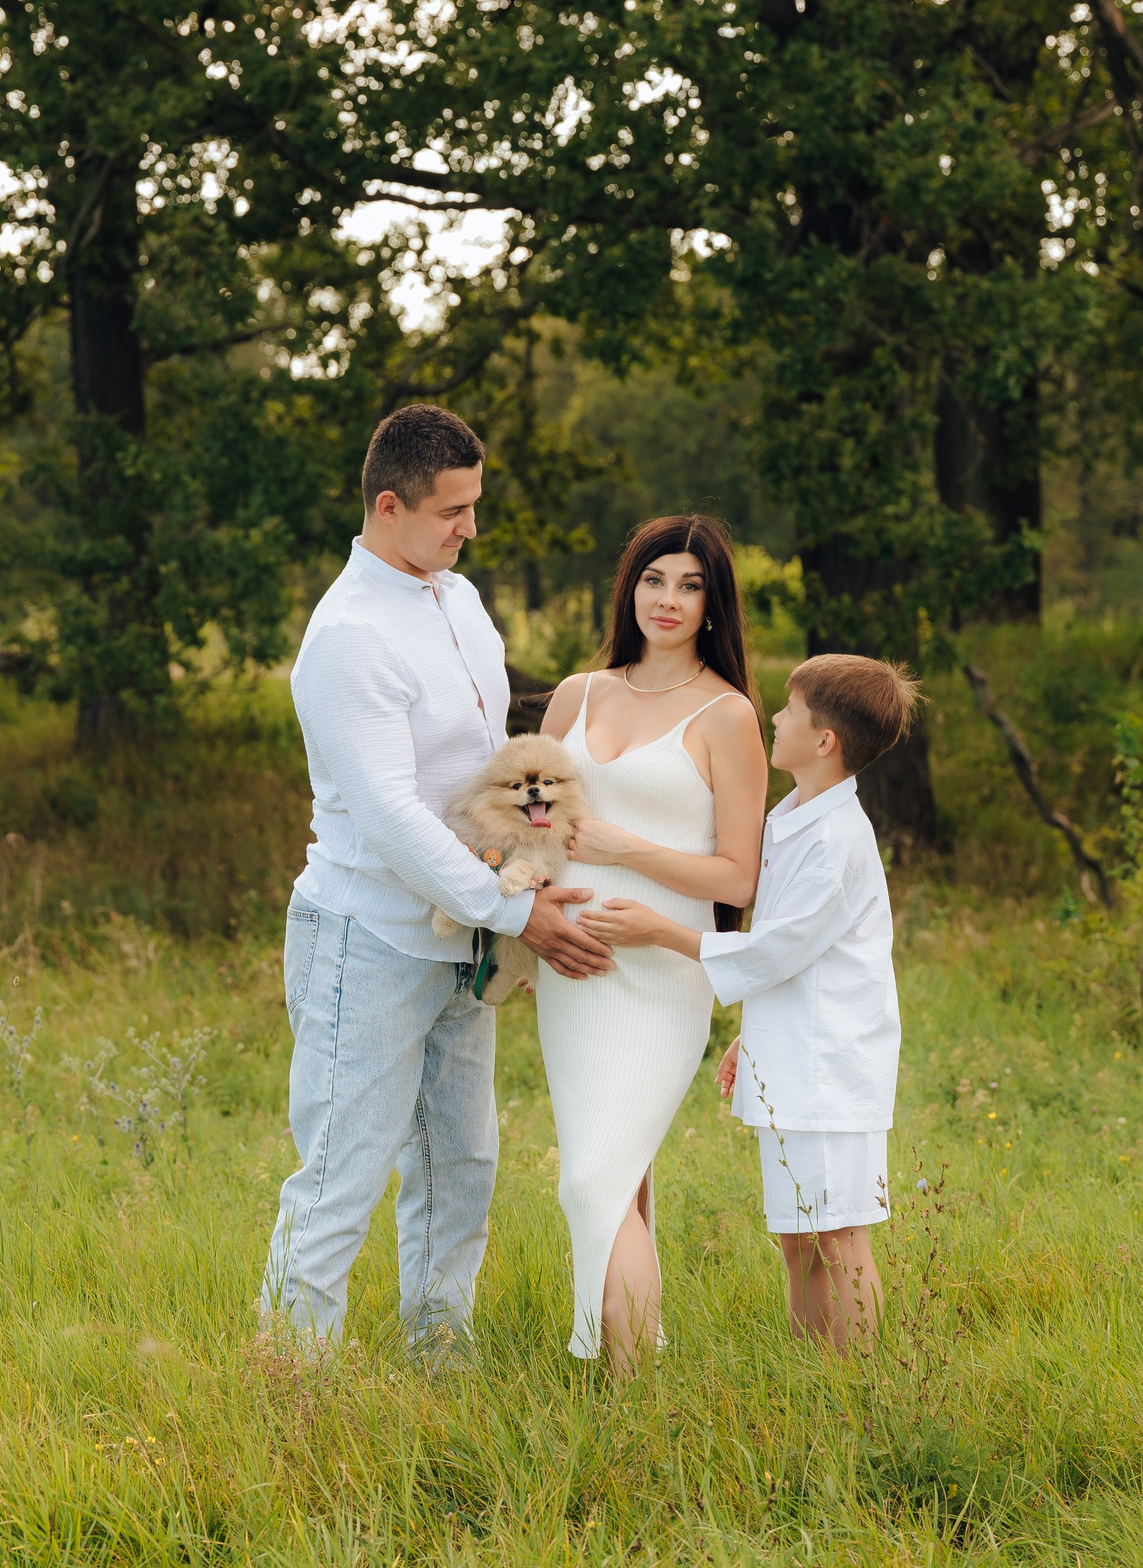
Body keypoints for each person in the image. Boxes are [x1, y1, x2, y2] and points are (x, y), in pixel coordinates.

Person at [258, 403, 614, 1363]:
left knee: (461, 1162)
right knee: (342, 1168)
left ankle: (439, 1353)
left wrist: (520, 876)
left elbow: (485, 760)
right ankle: (294, 1382)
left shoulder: (455, 598)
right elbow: (392, 817)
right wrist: (517, 909)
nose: (469, 529)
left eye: (473, 506)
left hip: (466, 935)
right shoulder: (348, 639)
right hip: (367, 937)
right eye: (453, 510)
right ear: (388, 503)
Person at [582, 654, 921, 1350]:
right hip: (798, 1050)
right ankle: (813, 1371)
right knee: (799, 1233)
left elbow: (777, 950)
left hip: (834, 1062)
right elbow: (787, 952)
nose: (774, 717)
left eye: (791, 710)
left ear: (824, 739)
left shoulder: (835, 839)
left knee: (838, 1232)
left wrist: (660, 930)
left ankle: (854, 1382)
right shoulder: (795, 814)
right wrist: (754, 1034)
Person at [530, 517, 769, 1374]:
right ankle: (624, 1363)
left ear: (714, 605)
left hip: (663, 969)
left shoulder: (727, 713)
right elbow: (529, 822)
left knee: (588, 1180)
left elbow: (739, 879)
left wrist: (622, 849)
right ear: (630, 588)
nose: (669, 599)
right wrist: (535, 914)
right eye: (654, 579)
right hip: (575, 970)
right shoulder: (576, 694)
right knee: (615, 1170)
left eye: (691, 584)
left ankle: (631, 1392)